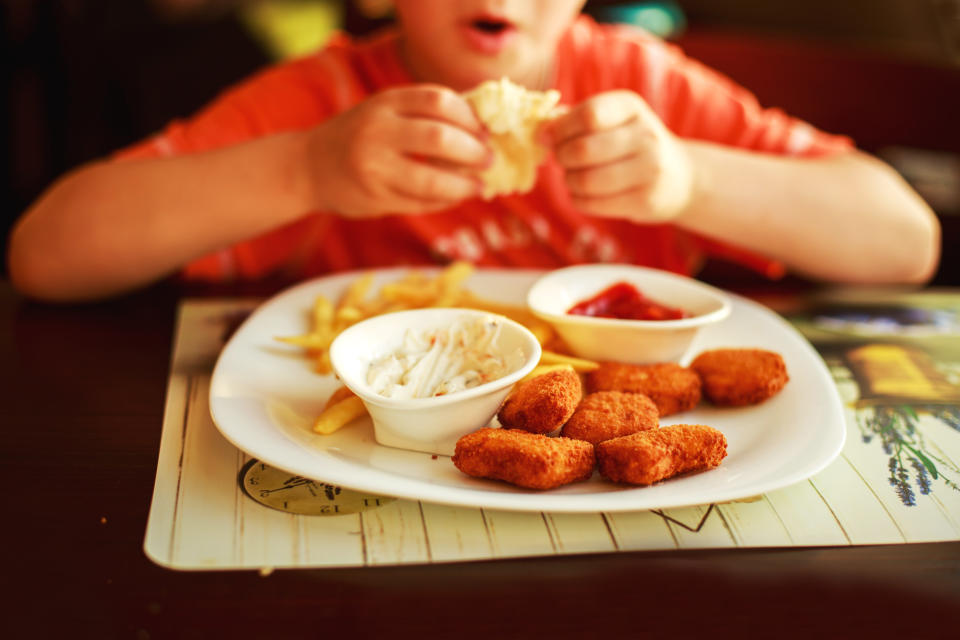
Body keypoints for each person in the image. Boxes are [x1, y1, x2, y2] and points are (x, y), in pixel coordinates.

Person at [7, 0, 941, 302]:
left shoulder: (643, 87)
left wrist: (690, 179)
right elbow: (45, 255)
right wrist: (302, 169)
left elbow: (905, 244)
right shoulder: (322, 105)